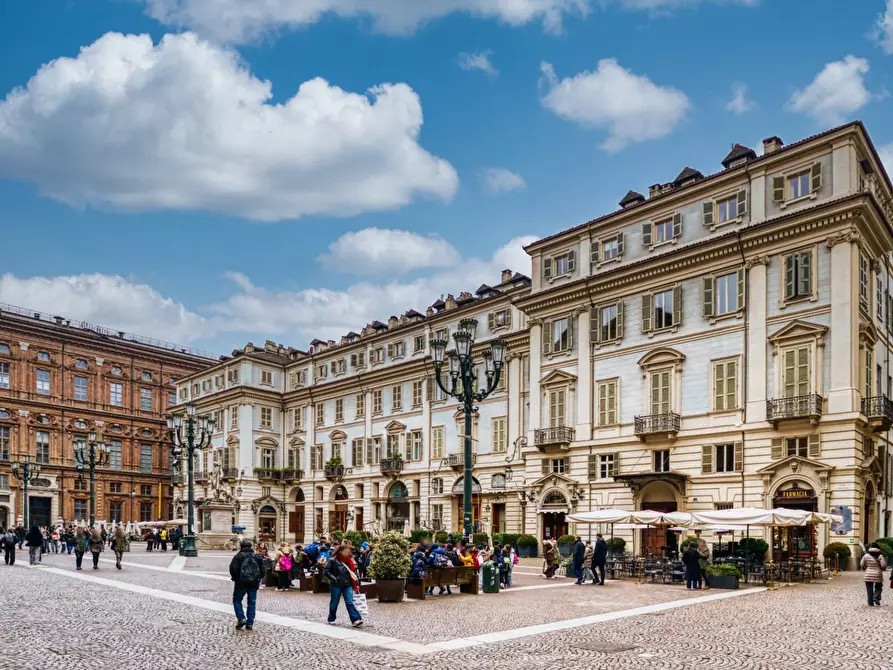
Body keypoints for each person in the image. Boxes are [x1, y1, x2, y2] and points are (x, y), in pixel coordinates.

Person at [324, 544, 364, 627]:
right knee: (334, 602)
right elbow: (326, 571)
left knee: (350, 601)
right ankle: (331, 618)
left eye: (348, 551)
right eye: (346, 551)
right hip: (336, 584)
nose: (347, 553)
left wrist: (356, 584)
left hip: (348, 584)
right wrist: (334, 579)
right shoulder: (333, 560)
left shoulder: (350, 561)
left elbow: (353, 573)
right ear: (341, 551)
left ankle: (355, 619)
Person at [230, 539, 264, 630]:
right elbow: (263, 570)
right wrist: (258, 579)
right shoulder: (256, 556)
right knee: (251, 603)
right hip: (253, 583)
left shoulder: (238, 556)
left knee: (237, 600)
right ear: (250, 547)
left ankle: (241, 618)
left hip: (240, 583)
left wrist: (235, 578)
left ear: (241, 546)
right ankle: (250, 623)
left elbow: (232, 569)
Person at [860, 542, 887, 606]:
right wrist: (882, 568)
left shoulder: (866, 555)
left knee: (869, 588)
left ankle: (870, 603)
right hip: (878, 574)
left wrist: (865, 567)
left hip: (868, 574)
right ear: (878, 548)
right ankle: (876, 597)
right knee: (879, 587)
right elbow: (883, 566)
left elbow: (861, 564)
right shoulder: (880, 555)